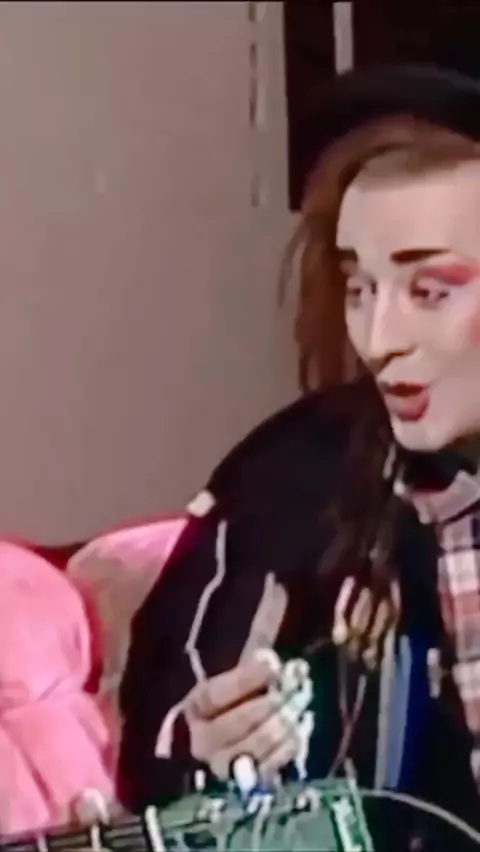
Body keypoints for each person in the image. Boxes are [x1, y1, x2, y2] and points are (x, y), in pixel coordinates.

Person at [118, 64, 480, 849]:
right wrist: (213, 755)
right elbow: (177, 733)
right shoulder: (289, 479)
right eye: (359, 289)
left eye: (429, 290)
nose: (381, 339)